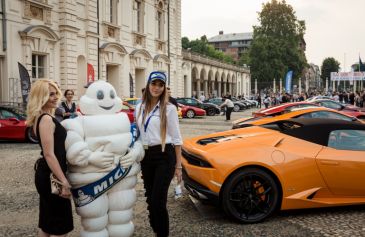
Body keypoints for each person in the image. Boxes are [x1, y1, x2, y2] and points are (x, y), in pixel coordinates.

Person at [135, 71, 182, 237]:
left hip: (164, 156)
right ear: (148, 85)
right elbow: (139, 133)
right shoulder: (139, 107)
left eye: (160, 85)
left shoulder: (169, 108)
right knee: (149, 199)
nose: (157, 88)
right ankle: (156, 231)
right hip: (146, 157)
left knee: (158, 201)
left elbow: (177, 139)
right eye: (154, 84)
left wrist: (178, 166)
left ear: (164, 88)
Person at [26, 79, 73, 236]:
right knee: (61, 227)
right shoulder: (45, 119)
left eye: (55, 94)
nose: (55, 97)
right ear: (41, 97)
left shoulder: (42, 117)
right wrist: (64, 181)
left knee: (47, 223)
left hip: (47, 174)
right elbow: (49, 154)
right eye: (50, 94)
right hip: (52, 176)